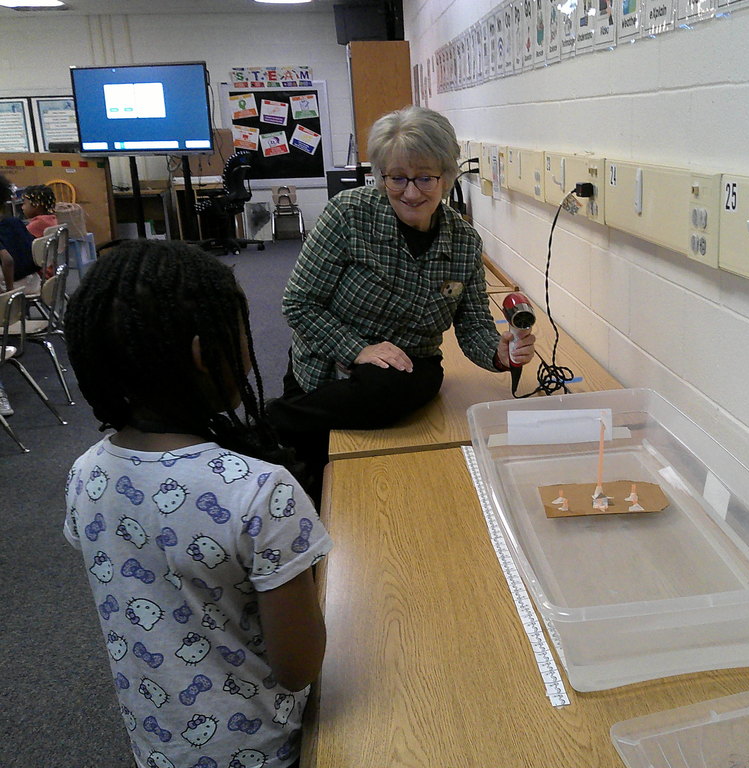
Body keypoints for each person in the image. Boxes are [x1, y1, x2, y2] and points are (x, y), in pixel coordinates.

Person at [62, 240, 332, 768]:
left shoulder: (84, 472)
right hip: (261, 749)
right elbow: (299, 665)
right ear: (203, 354)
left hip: (158, 745)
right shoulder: (260, 490)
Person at [267, 105, 535, 503]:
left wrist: (501, 353)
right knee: (311, 488)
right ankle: (278, 419)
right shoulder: (348, 215)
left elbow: (475, 327)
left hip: (406, 369)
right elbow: (300, 304)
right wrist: (359, 349)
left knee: (414, 381)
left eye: (425, 178)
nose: (411, 193)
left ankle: (279, 421)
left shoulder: (463, 244)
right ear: (381, 176)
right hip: (328, 371)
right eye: (397, 178)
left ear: (447, 177)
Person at [0, 174, 38, 293]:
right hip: (34, 281)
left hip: (13, 288)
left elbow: (8, 260)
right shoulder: (16, 222)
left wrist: (10, 290)